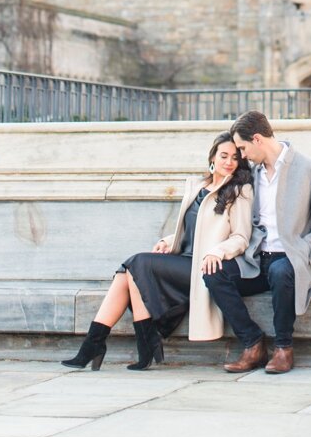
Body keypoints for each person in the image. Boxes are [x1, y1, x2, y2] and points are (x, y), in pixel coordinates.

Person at [61, 132, 253, 370]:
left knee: (136, 263)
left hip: (202, 265)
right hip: (182, 259)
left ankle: (120, 343)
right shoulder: (198, 187)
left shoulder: (240, 191)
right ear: (212, 158)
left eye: (235, 158)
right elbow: (192, 229)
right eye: (224, 156)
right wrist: (167, 241)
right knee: (126, 274)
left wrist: (218, 252)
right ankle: (103, 344)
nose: (229, 162)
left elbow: (241, 236)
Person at [203, 110, 311, 374]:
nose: (241, 155)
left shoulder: (309, 168)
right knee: (214, 273)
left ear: (257, 139)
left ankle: (283, 348)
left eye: (242, 148)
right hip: (254, 260)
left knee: (281, 272)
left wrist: (303, 249)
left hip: (287, 259)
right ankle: (253, 344)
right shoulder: (251, 174)